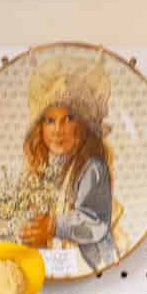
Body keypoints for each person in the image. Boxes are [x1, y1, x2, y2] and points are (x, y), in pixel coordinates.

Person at [17, 59, 117, 273]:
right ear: (40, 129)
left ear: (82, 126)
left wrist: (54, 226)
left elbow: (94, 221)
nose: (58, 130)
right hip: (55, 261)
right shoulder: (43, 170)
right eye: (50, 121)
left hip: (89, 263)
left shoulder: (92, 168)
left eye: (68, 119)